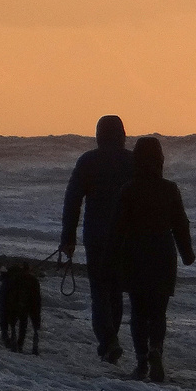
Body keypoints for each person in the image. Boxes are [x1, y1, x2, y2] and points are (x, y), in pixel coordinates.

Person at [114, 136, 195, 383]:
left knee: (138, 311)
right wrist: (187, 254)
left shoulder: (129, 189)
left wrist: (109, 258)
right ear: (160, 159)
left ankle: (141, 363)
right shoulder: (169, 189)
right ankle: (156, 349)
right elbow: (181, 224)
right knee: (158, 311)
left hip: (136, 253)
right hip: (163, 252)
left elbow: (117, 228)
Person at [59, 115, 136, 364]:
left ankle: (108, 341)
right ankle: (111, 339)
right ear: (122, 134)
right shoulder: (133, 162)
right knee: (115, 289)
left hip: (97, 236)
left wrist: (68, 238)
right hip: (126, 237)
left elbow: (72, 200)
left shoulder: (88, 161)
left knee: (100, 290)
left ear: (98, 135)